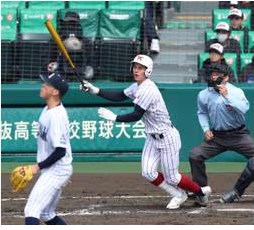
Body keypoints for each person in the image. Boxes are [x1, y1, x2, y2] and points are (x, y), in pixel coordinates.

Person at [80, 54, 212, 209]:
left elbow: (136, 114)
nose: (136, 70)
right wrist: (95, 90)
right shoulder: (137, 86)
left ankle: (201, 193)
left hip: (167, 137)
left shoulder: (148, 89)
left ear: (148, 71)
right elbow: (120, 96)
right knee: (148, 172)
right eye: (135, 67)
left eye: (141, 68)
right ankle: (179, 194)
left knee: (173, 177)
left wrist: (115, 118)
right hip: (152, 137)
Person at [189, 62, 254, 198]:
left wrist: (227, 96)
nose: (213, 77)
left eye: (217, 74)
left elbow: (244, 109)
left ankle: (236, 191)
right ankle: (201, 191)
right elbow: (201, 113)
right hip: (217, 137)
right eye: (212, 74)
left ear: (226, 77)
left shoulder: (236, 91)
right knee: (195, 155)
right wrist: (206, 129)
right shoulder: (204, 94)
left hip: (239, 135)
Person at [24, 73, 73, 225]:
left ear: (55, 92)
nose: (43, 86)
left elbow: (60, 151)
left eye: (47, 85)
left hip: (57, 171)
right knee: (46, 213)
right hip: (54, 169)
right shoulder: (48, 109)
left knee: (31, 210)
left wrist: (36, 167)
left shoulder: (57, 117)